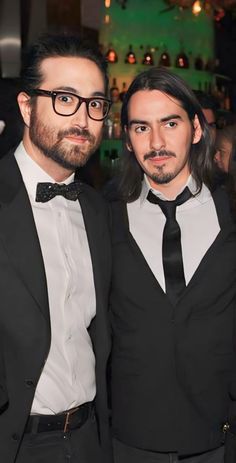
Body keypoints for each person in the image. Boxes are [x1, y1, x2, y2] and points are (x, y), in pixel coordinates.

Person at [109, 67, 236, 463]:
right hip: (130, 441)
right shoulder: (103, 217)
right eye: (141, 128)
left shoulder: (231, 212)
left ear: (197, 130)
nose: (157, 141)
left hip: (219, 439)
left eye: (170, 123)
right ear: (127, 139)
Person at [0, 33, 113, 463]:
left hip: (90, 439)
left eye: (95, 103)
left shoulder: (99, 211)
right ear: (27, 107)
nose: (83, 118)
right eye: (65, 98)